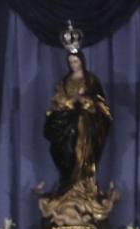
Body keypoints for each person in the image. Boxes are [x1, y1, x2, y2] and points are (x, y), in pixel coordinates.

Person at [43, 50, 112, 196]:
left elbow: (101, 105)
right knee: (66, 151)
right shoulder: (64, 82)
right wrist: (69, 102)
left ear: (81, 61)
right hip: (66, 123)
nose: (73, 65)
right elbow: (57, 102)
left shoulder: (91, 80)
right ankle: (68, 182)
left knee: (83, 148)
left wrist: (85, 101)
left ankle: (84, 182)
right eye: (71, 62)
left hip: (86, 124)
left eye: (76, 61)